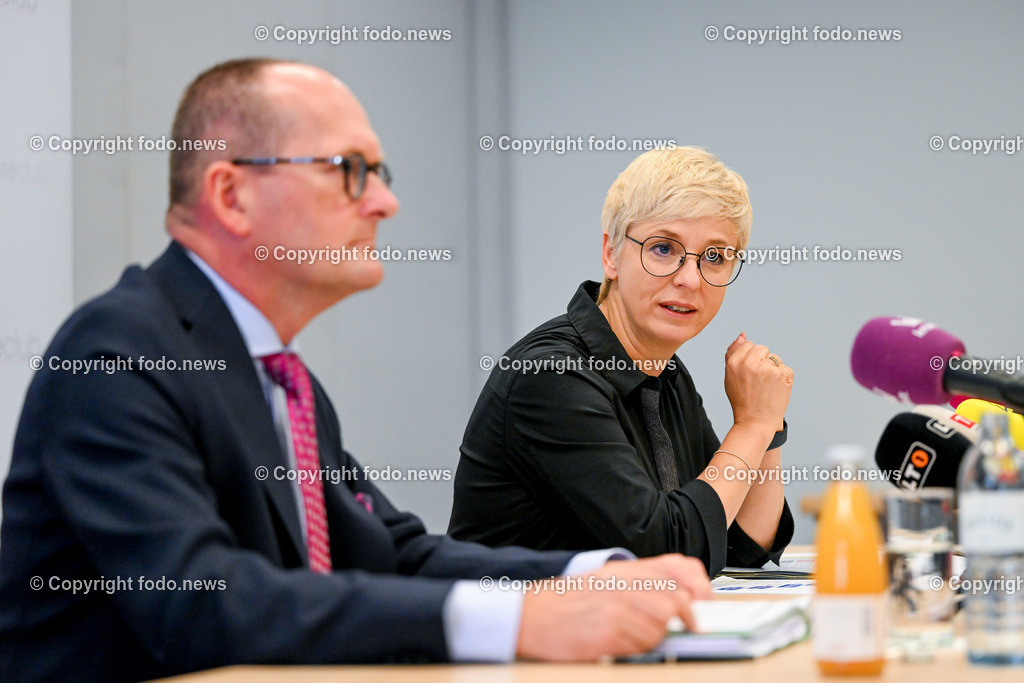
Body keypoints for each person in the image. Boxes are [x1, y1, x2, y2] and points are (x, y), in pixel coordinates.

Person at [0, 59, 711, 682]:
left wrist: (591, 574)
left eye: (380, 174)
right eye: (349, 170)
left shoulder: (281, 376)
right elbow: (203, 600)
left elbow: (390, 551)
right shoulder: (116, 355)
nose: (385, 202)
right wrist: (515, 619)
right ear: (231, 195)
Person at [449, 147, 794, 576]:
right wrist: (751, 427)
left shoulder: (666, 372)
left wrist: (767, 425)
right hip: (520, 619)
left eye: (714, 257)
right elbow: (664, 553)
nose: (690, 279)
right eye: (663, 248)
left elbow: (742, 543)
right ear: (611, 254)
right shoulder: (550, 377)